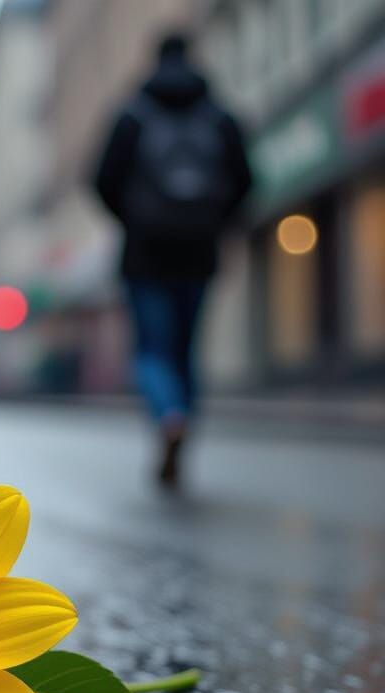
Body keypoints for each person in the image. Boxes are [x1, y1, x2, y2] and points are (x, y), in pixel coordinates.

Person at [94, 32, 251, 488]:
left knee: (151, 351)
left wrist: (133, 219)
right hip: (199, 252)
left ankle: (168, 415)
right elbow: (245, 179)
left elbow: (102, 180)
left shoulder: (133, 115)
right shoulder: (219, 116)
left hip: (145, 255)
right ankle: (183, 430)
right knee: (185, 352)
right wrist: (214, 223)